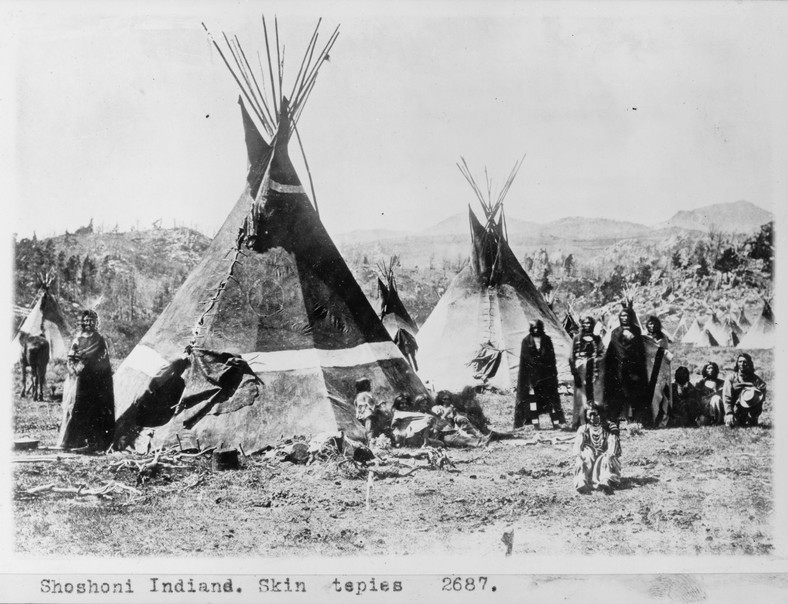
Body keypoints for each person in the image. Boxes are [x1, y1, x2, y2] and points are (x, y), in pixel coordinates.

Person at [56, 310, 115, 451]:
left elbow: (104, 360)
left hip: (97, 380)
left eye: (91, 320)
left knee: (95, 410)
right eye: (86, 320)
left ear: (96, 322)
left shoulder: (100, 339)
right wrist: (74, 370)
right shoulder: (77, 339)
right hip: (81, 379)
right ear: (82, 322)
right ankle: (77, 442)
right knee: (79, 408)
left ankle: (94, 443)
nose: (88, 323)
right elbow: (70, 359)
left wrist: (93, 368)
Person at [515, 320, 566, 429]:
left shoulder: (547, 340)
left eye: (538, 328)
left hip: (546, 376)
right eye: (534, 328)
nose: (536, 330)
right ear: (531, 329)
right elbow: (526, 361)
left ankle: (556, 423)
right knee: (533, 401)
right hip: (533, 377)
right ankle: (536, 424)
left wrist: (552, 374)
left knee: (551, 400)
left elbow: (551, 358)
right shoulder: (526, 341)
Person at [603, 305, 649, 427]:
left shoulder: (636, 330)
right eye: (622, 315)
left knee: (633, 394)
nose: (625, 318)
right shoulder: (615, 332)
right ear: (619, 317)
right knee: (618, 394)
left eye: (627, 315)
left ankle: (634, 420)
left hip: (633, 368)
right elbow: (613, 350)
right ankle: (616, 419)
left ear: (630, 317)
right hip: (618, 368)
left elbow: (640, 350)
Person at [572, 407, 622, 494]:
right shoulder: (583, 428)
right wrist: (578, 457)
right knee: (584, 456)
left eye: (594, 414)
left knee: (606, 459)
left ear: (600, 414)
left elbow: (612, 445)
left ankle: (606, 481)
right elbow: (577, 446)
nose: (592, 418)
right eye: (589, 415)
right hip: (590, 459)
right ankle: (582, 481)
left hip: (606, 456)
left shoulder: (610, 427)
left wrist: (609, 455)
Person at [569, 316, 605, 429]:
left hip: (593, 371)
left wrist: (594, 361)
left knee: (594, 396)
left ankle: (594, 420)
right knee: (580, 397)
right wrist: (575, 372)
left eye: (589, 323)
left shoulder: (597, 339)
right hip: (580, 371)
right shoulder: (576, 338)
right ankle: (579, 422)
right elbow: (571, 357)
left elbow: (602, 352)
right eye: (585, 323)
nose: (587, 325)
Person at [723, 353, 767, 427]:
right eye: (740, 361)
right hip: (735, 408)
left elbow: (762, 387)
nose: (742, 364)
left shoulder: (755, 379)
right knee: (732, 425)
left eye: (745, 362)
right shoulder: (731, 378)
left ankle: (751, 418)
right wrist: (729, 412)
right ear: (737, 363)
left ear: (749, 363)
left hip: (750, 407)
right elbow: (727, 397)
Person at [694, 361, 725, 426]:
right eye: (708, 368)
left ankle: (718, 420)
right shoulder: (701, 383)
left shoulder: (721, 382)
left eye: (713, 368)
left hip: (719, 404)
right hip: (705, 407)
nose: (711, 370)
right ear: (705, 370)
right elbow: (697, 397)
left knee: (716, 398)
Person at [353, 377, 382, 442]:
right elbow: (371, 405)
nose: (370, 386)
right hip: (368, 414)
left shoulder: (358, 396)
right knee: (371, 430)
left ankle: (370, 442)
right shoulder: (366, 395)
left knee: (368, 429)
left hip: (363, 415)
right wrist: (378, 406)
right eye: (368, 385)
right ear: (365, 386)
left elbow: (357, 405)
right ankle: (371, 443)